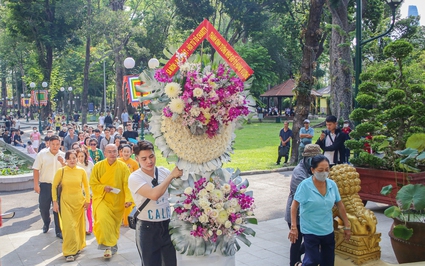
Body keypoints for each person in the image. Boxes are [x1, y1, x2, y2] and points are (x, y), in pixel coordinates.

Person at [288, 155, 351, 266]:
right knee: (312, 261)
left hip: (327, 229)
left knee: (328, 262)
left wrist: (347, 225)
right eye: (320, 170)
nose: (324, 173)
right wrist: (294, 228)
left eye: (327, 170)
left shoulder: (332, 185)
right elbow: (294, 206)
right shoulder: (305, 186)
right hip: (310, 229)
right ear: (313, 170)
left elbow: (340, 206)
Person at [128, 140, 182, 265]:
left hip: (167, 225)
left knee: (170, 262)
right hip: (147, 227)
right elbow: (154, 195)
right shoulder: (135, 177)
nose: (149, 161)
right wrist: (171, 176)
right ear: (137, 159)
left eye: (151, 156)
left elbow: (177, 192)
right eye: (144, 158)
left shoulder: (163, 172)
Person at [89, 144, 133, 258]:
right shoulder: (98, 166)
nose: (112, 154)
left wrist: (128, 199)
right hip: (102, 199)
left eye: (114, 151)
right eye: (109, 151)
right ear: (105, 152)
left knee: (113, 225)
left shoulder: (123, 167)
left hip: (117, 201)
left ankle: (112, 244)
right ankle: (107, 247)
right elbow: (93, 183)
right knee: (103, 220)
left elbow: (127, 184)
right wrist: (103, 187)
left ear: (118, 152)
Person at [285, 144, 322, 266]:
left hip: (310, 214)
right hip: (296, 213)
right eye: (313, 160)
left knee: (312, 239)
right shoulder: (298, 172)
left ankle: (299, 259)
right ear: (306, 159)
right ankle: (294, 262)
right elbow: (309, 194)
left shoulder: (316, 170)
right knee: (296, 240)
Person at [52, 150, 90, 262]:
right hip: (66, 202)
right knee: (69, 227)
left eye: (74, 158)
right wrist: (55, 201)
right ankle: (69, 252)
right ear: (66, 160)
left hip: (79, 202)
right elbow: (54, 186)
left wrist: (87, 200)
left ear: (77, 158)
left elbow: (86, 187)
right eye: (69, 158)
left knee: (77, 226)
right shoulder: (61, 171)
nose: (72, 160)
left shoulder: (81, 171)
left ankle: (77, 247)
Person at [32, 135, 65, 239]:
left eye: (57, 144)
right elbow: (36, 169)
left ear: (60, 144)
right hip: (45, 185)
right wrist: (36, 185)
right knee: (43, 207)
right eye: (53, 144)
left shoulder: (63, 155)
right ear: (49, 144)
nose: (55, 146)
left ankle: (58, 230)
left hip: (59, 186)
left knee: (58, 209)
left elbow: (68, 169)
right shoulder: (42, 154)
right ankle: (46, 222)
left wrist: (62, 162)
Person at [118, 144, 139, 227]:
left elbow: (137, 174)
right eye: (124, 151)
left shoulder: (134, 163)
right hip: (119, 185)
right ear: (121, 152)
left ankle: (127, 221)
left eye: (128, 152)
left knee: (128, 203)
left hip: (130, 186)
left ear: (131, 153)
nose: (126, 153)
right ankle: (120, 220)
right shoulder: (118, 161)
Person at [76, 149, 95, 235]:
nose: (80, 158)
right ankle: (81, 227)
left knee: (88, 210)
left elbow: (94, 176)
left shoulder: (90, 164)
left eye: (82, 156)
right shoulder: (75, 165)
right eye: (79, 156)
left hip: (89, 190)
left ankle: (89, 228)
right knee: (80, 211)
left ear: (85, 156)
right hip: (78, 191)